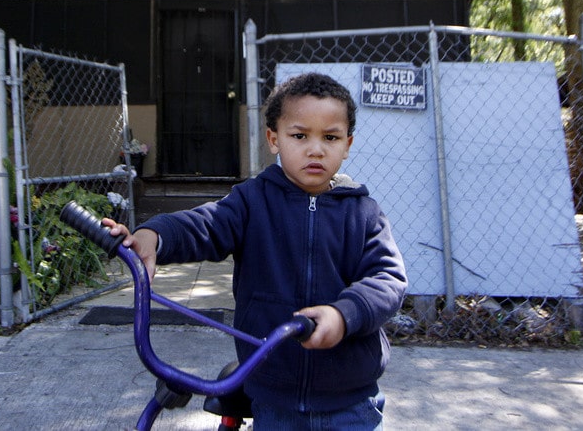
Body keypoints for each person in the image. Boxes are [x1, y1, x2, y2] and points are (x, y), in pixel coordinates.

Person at [103, 72, 407, 430]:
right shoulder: (252, 201)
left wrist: (344, 315)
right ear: (273, 139)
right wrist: (155, 235)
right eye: (299, 135)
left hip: (350, 400)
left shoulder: (363, 212)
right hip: (273, 396)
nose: (315, 148)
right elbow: (206, 224)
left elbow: (388, 278)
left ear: (347, 144)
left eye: (330, 137)